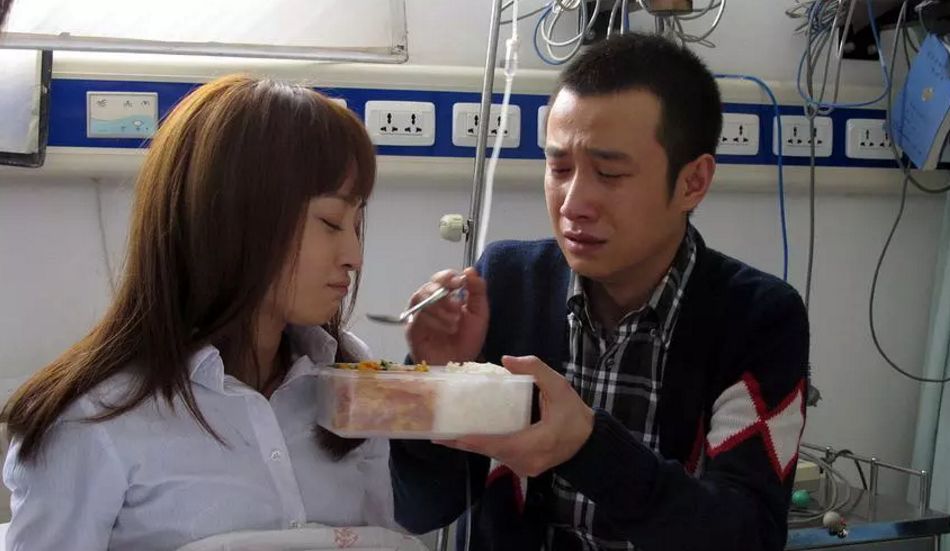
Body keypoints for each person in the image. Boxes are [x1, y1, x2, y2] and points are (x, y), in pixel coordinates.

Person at [390, 33, 809, 551]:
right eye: (559, 168)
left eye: (609, 173)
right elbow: (417, 509)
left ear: (692, 182)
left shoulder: (758, 318)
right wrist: (435, 385)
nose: (573, 203)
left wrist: (587, 446)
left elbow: (748, 535)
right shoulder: (506, 284)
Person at [2, 74, 395, 550]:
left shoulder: (350, 378)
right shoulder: (90, 419)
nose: (354, 255)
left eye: (357, 223)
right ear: (234, 219)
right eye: (331, 222)